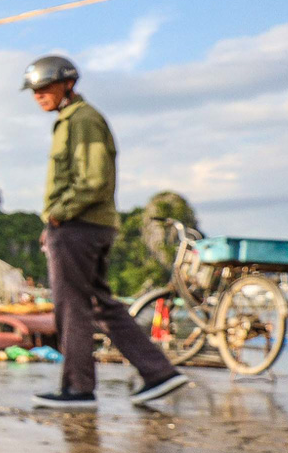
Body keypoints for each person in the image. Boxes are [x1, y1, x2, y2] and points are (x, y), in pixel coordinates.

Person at [23, 55, 190, 409]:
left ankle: (77, 388)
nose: (38, 95)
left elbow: (94, 180)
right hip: (82, 225)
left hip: (79, 227)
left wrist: (58, 215)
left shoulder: (82, 120)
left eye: (44, 88)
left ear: (67, 84)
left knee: (72, 307)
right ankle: (159, 372)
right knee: (100, 305)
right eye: (34, 90)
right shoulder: (74, 120)